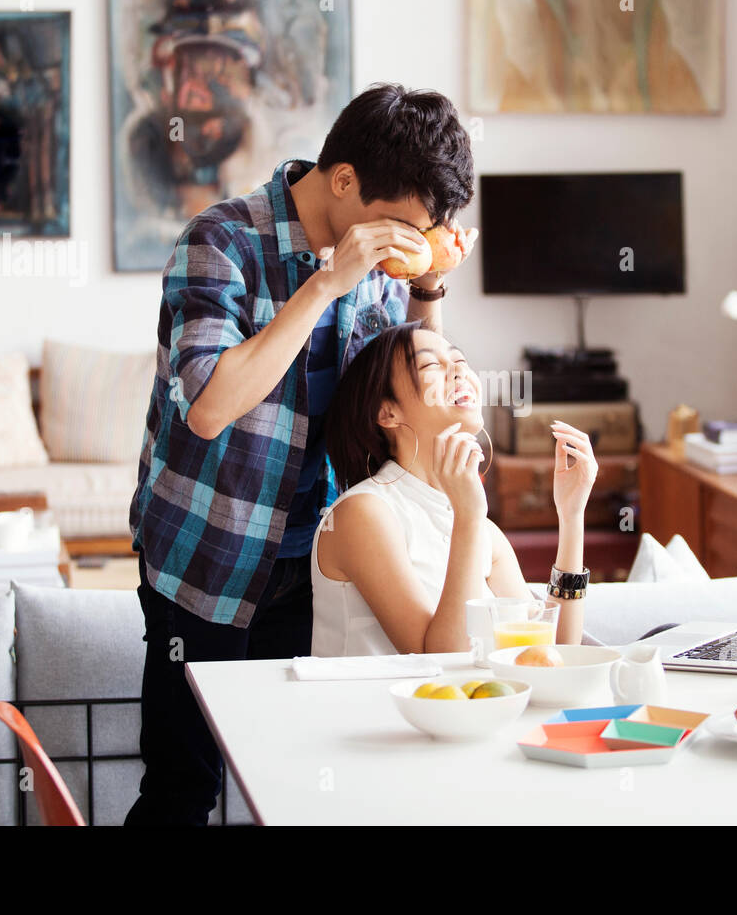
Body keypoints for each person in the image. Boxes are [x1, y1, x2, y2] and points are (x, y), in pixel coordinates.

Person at [126, 84, 477, 826]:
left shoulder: (380, 262)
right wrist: (327, 283)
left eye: (429, 227)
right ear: (344, 181)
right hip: (206, 564)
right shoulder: (220, 243)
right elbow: (213, 407)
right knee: (183, 791)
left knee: (293, 786)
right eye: (404, 226)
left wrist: (429, 283)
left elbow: (413, 375)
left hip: (314, 568)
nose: (409, 241)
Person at [311, 323, 598, 656]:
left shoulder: (482, 530)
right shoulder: (362, 513)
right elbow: (440, 657)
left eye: (461, 364)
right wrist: (469, 516)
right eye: (432, 365)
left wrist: (572, 515)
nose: (459, 374)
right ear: (387, 412)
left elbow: (555, 649)